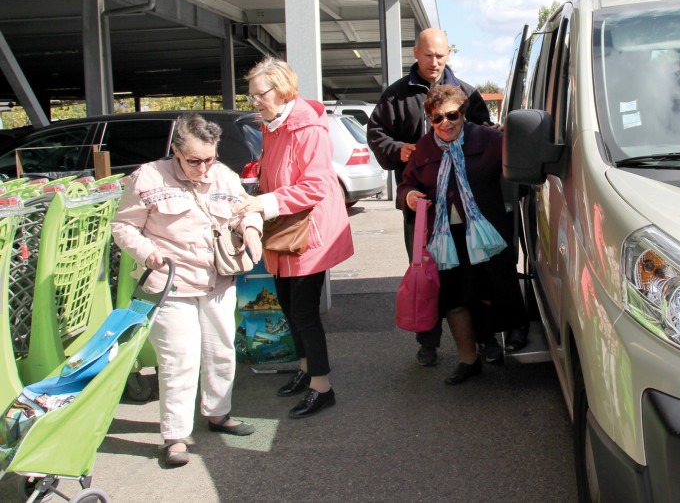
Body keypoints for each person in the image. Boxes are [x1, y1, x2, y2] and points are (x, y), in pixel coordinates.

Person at [111, 113, 263, 468]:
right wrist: (148, 254)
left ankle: (218, 415)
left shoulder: (224, 174)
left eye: (209, 158)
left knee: (222, 351)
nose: (203, 168)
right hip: (171, 285)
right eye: (194, 161)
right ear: (176, 152)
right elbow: (123, 226)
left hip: (218, 282)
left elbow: (245, 211)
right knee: (179, 359)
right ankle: (174, 437)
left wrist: (252, 228)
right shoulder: (148, 177)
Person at [368, 28, 519, 368]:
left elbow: (488, 134)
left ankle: (486, 339)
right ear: (415, 53)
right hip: (423, 211)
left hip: (470, 212)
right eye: (427, 54)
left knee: (477, 278)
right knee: (427, 275)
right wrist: (399, 150)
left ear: (449, 53)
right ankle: (428, 341)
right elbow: (376, 134)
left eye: (439, 55)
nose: (433, 61)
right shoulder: (395, 97)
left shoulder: (467, 93)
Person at [232, 58, 354, 419]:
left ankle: (322, 387)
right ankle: (306, 370)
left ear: (283, 90)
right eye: (251, 94)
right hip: (286, 231)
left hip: (308, 234)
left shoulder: (306, 128)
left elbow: (314, 186)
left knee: (303, 311)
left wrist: (265, 202)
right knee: (288, 306)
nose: (254, 101)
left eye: (260, 94)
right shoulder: (274, 124)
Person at [397, 85, 528, 385]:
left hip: (485, 233)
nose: (445, 123)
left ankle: (494, 341)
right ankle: (468, 361)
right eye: (437, 118)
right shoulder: (424, 150)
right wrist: (409, 197)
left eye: (452, 115)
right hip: (445, 237)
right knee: (454, 299)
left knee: (488, 292)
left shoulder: (490, 139)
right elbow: (406, 185)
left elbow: (522, 156)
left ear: (463, 114)